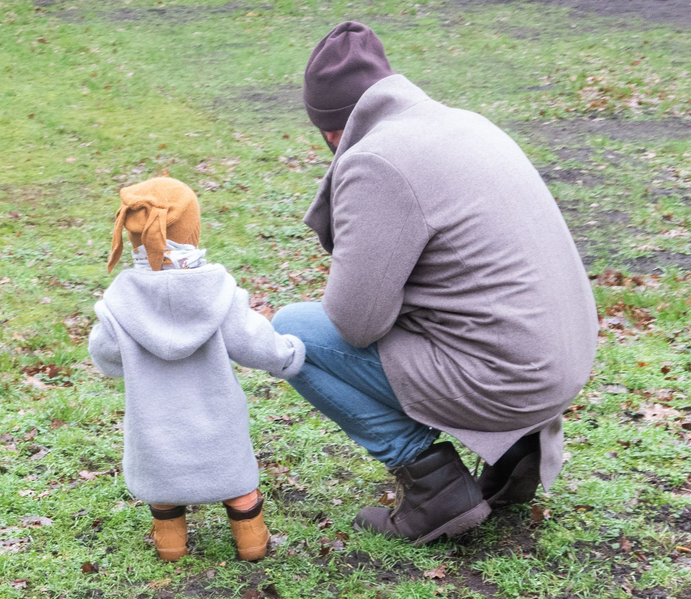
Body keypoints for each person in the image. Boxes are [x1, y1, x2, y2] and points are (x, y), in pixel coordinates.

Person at [272, 22, 598, 543]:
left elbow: (355, 323)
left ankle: (434, 487)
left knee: (293, 334)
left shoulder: (377, 159)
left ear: (332, 129)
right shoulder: (464, 122)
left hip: (510, 378)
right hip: (561, 362)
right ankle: (518, 449)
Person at [88, 177, 306, 561]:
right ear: (192, 229)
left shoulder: (120, 303)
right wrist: (288, 354)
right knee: (238, 486)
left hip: (155, 427)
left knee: (163, 488)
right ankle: (251, 541)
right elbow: (253, 342)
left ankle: (171, 544)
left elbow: (106, 358)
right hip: (217, 423)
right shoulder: (217, 292)